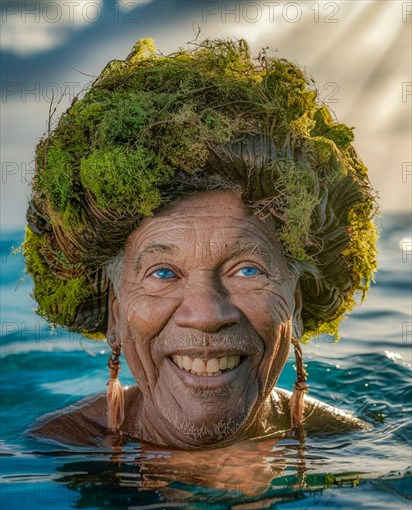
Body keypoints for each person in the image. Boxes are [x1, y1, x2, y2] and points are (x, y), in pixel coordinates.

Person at [24, 38, 378, 448]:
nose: (207, 315)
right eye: (163, 273)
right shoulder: (51, 453)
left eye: (247, 269)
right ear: (115, 317)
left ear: (296, 305)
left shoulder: (351, 451)